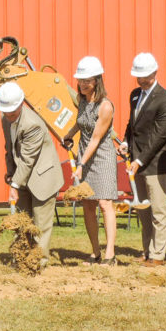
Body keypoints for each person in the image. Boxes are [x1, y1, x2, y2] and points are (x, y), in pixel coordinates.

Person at [118, 52, 166, 267]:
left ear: (155, 72)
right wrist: (125, 142)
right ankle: (146, 251)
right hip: (137, 161)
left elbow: (160, 135)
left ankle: (158, 255)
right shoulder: (135, 94)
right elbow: (132, 124)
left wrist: (140, 160)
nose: (141, 81)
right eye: (138, 77)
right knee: (143, 210)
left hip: (155, 163)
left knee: (158, 211)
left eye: (145, 77)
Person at [0, 82, 63, 266]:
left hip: (44, 177)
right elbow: (9, 148)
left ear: (21, 104)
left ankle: (37, 263)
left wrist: (14, 185)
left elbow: (28, 159)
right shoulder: (5, 119)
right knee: (23, 220)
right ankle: (21, 257)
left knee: (40, 225)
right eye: (6, 110)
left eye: (12, 110)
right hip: (23, 176)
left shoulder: (32, 124)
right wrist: (11, 173)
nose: (9, 114)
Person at [62, 56, 118, 265]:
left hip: (101, 158)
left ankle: (110, 254)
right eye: (81, 79)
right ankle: (95, 252)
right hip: (84, 154)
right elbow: (80, 122)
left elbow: (96, 138)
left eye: (88, 80)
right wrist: (69, 134)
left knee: (105, 203)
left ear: (97, 80)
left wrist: (80, 164)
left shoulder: (105, 106)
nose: (83, 83)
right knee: (88, 205)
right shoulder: (82, 101)